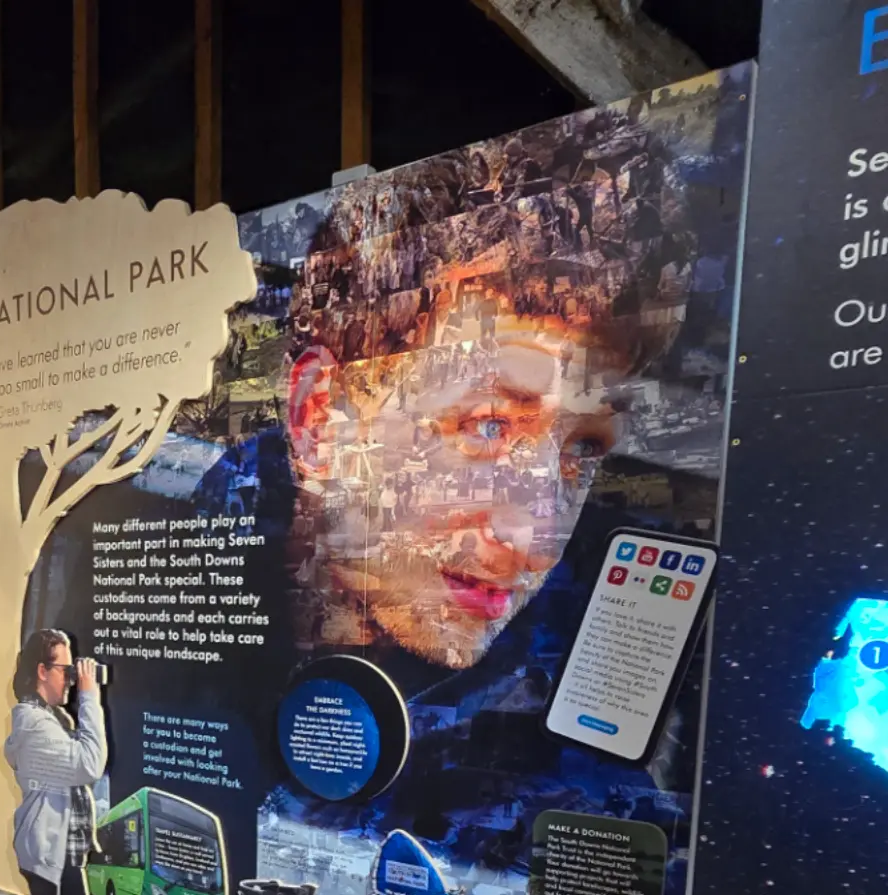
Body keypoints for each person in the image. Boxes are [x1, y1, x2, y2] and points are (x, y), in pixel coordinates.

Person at [280, 107, 693, 672]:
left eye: (582, 451)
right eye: (488, 426)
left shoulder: (558, 691)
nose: (537, 543)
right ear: (321, 421)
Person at [4, 628, 104, 895]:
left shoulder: (53, 718)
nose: (72, 680)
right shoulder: (38, 725)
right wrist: (89, 697)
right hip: (51, 859)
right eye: (66, 670)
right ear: (42, 671)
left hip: (59, 856)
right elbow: (90, 764)